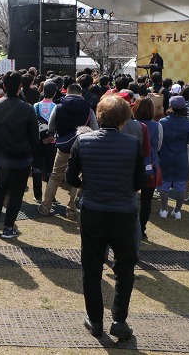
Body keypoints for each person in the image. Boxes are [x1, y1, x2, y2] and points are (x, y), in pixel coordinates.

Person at [65, 94, 146, 341]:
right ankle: (119, 319)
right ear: (124, 119)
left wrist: (85, 185)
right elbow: (139, 182)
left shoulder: (82, 141)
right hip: (123, 212)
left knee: (91, 267)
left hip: (93, 210)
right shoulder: (133, 144)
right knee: (125, 267)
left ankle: (95, 320)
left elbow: (70, 178)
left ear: (99, 116)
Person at [0, 71, 39, 238]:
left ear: (3, 86)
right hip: (22, 158)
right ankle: (8, 227)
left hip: (2, 156)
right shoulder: (27, 108)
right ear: (20, 87)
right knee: (16, 193)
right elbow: (34, 136)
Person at [39, 83, 98, 219]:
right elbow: (95, 130)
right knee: (77, 177)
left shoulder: (59, 107)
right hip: (82, 148)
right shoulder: (88, 109)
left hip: (63, 147)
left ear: (67, 93)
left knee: (55, 176)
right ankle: (71, 209)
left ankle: (46, 207)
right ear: (80, 93)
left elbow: (51, 127)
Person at [156, 96, 189, 219]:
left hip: (165, 157)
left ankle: (164, 209)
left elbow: (158, 141)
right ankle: (177, 211)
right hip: (181, 158)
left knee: (164, 185)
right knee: (180, 185)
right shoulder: (188, 124)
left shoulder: (162, 122)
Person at [133, 97, 162, 238]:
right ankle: (141, 228)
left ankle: (131, 226)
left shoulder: (131, 125)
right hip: (150, 166)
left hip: (132, 164)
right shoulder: (157, 126)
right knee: (146, 200)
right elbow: (158, 146)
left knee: (131, 197)